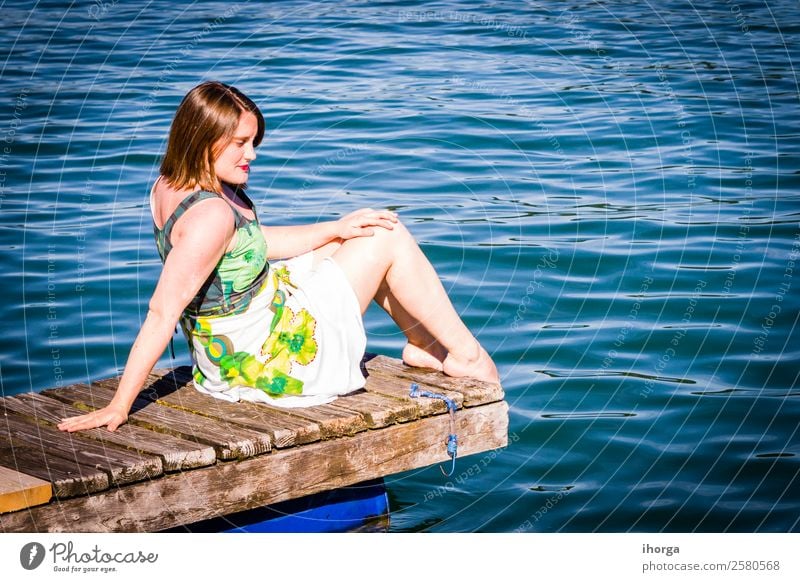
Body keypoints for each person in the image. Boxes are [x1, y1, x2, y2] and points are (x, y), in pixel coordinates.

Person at [58, 81, 499, 433]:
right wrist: (120, 406)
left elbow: (248, 244)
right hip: (268, 363)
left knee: (352, 238)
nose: (252, 154)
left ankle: (425, 345)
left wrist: (333, 228)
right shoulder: (211, 215)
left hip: (229, 349)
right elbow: (161, 313)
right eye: (240, 143)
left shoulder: (170, 183)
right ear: (203, 139)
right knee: (388, 234)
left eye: (254, 141)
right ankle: (467, 356)